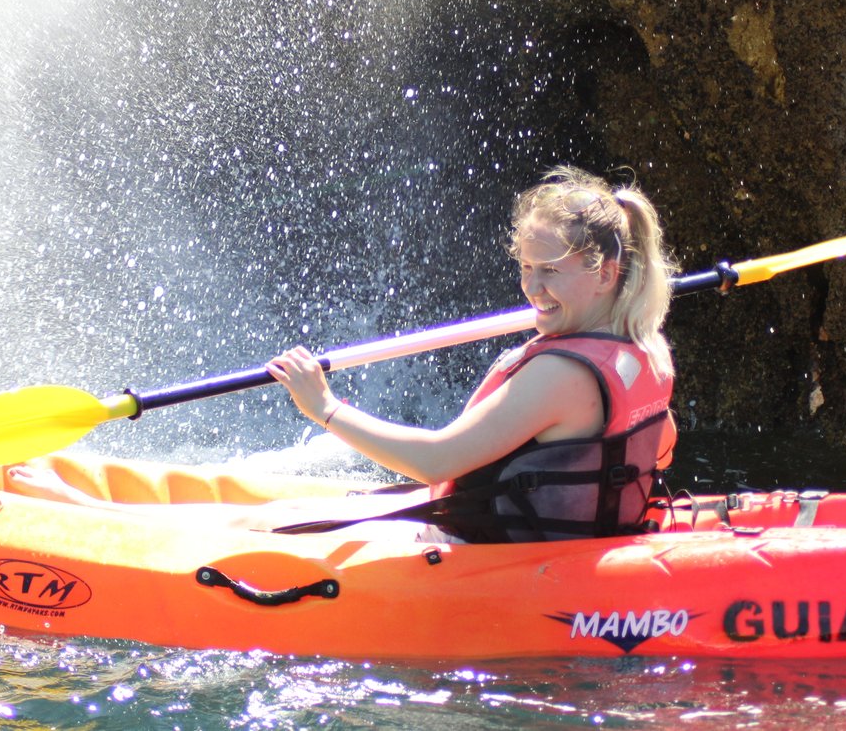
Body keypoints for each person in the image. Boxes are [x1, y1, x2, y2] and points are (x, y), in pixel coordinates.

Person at [266, 165, 678, 542]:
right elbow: (663, 446)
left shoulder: (560, 375)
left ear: (604, 274)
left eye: (550, 270)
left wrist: (324, 407)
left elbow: (436, 461)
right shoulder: (646, 350)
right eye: (527, 267)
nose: (532, 288)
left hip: (495, 558)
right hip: (582, 542)